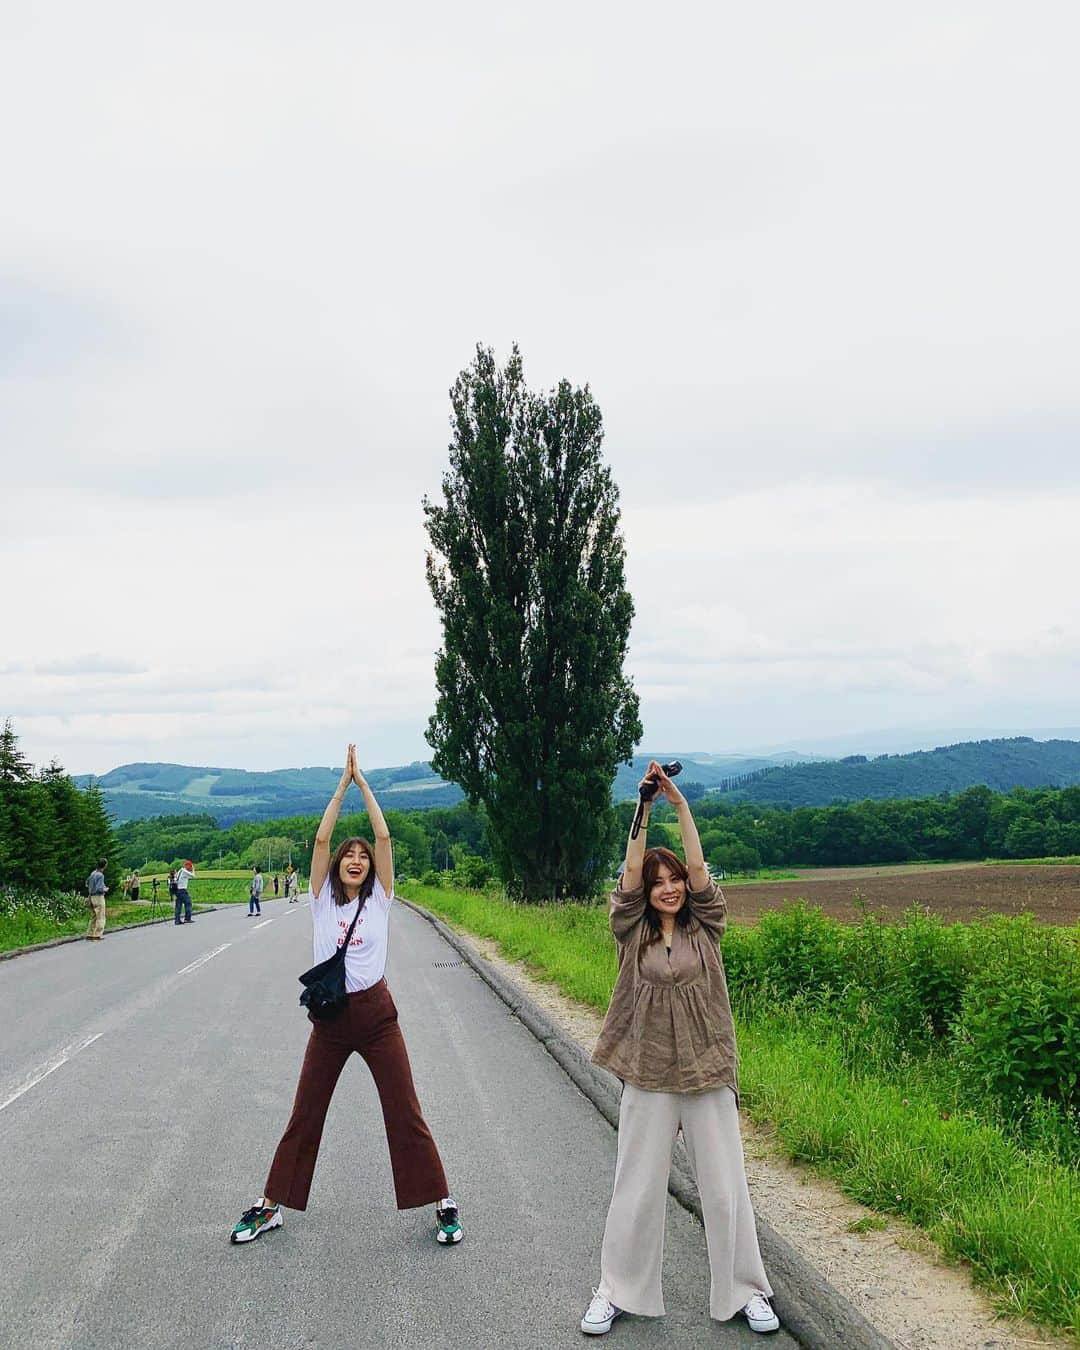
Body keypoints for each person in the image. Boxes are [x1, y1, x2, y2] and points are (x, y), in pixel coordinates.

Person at [229, 744, 461, 1249]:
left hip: (378, 1017)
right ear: (336, 866)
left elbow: (382, 834)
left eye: (362, 858)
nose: (356, 859)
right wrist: (339, 786)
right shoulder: (319, 902)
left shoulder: (380, 900)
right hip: (331, 1022)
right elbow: (319, 837)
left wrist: (363, 784)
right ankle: (271, 1206)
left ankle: (441, 1199)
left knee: (404, 1108)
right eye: (348, 856)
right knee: (305, 1112)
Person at [581, 761, 780, 1338]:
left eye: (673, 881)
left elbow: (698, 868)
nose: (668, 888)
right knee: (636, 1187)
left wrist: (679, 805)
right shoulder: (631, 929)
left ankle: (747, 1292)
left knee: (724, 1189)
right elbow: (626, 873)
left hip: (707, 1067)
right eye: (657, 882)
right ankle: (615, 1289)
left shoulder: (707, 925)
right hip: (647, 1070)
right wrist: (642, 808)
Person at [85, 858, 108, 940]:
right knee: (100, 916)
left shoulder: (93, 873)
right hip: (98, 897)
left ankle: (90, 933)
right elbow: (99, 888)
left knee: (94, 916)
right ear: (105, 866)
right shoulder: (100, 875)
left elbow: (87, 883)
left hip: (91, 896)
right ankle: (97, 934)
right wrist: (105, 889)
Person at [175, 860, 195, 924]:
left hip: (177, 890)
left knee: (178, 905)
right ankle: (187, 919)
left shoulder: (180, 871)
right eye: (190, 866)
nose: (190, 867)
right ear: (187, 865)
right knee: (188, 903)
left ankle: (177, 920)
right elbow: (193, 876)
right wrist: (193, 870)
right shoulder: (184, 871)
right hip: (183, 890)